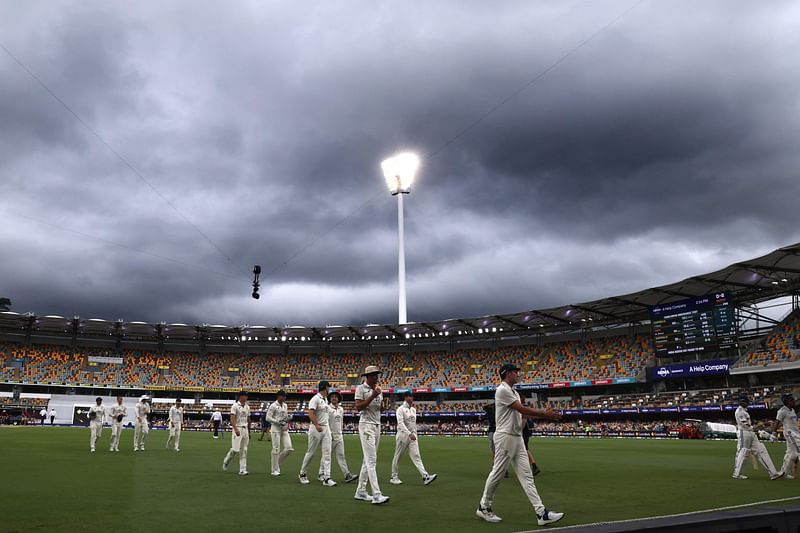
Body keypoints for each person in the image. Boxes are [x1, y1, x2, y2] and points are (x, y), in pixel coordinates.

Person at [476, 363, 564, 526]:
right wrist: (544, 413)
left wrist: (545, 415)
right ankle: (484, 507)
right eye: (516, 372)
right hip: (505, 437)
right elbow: (521, 409)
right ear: (507, 374)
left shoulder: (513, 392)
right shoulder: (502, 390)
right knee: (497, 473)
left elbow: (521, 413)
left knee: (527, 477)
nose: (518, 374)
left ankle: (541, 513)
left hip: (516, 438)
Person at [353, 365, 389, 504]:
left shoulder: (379, 389)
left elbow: (381, 409)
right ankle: (376, 494)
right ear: (367, 376)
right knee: (371, 460)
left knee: (367, 460)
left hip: (377, 425)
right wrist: (373, 396)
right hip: (366, 425)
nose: (376, 377)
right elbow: (358, 407)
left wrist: (384, 404)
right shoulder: (361, 389)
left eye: (377, 375)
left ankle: (360, 491)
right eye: (374, 375)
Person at [390, 391, 437, 486]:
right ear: (406, 397)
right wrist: (409, 433)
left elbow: (413, 424)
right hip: (403, 436)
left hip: (413, 436)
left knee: (416, 456)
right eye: (410, 396)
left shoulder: (413, 410)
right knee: (398, 456)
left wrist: (415, 434)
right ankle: (393, 477)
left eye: (412, 396)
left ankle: (425, 476)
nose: (412, 398)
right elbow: (400, 423)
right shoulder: (400, 409)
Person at [732, 395, 783, 480]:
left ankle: (773, 473)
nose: (746, 403)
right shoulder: (739, 411)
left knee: (761, 450)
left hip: (750, 433)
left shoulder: (744, 411)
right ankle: (737, 474)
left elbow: (750, 427)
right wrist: (761, 425)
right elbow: (745, 425)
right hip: (744, 433)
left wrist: (762, 431)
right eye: (745, 402)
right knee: (744, 451)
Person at [299, 380, 335, 486]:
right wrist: (317, 424)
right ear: (325, 388)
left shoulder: (325, 400)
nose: (329, 389)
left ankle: (326, 477)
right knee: (311, 452)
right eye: (328, 387)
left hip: (326, 428)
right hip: (316, 428)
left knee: (327, 453)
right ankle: (302, 473)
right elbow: (310, 413)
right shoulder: (315, 399)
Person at [324, 391, 357, 483]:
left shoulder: (341, 409)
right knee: (327, 456)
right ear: (330, 399)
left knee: (341, 455)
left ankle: (347, 475)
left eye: (336, 397)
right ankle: (322, 474)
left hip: (339, 435)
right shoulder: (328, 408)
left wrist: (341, 432)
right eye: (332, 397)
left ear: (338, 399)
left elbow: (341, 421)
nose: (334, 398)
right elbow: (325, 422)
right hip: (330, 435)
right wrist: (329, 434)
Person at [771, 393, 798, 480]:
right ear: (787, 401)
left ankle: (784, 472)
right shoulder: (782, 411)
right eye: (791, 399)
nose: (794, 401)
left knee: (790, 453)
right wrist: (773, 433)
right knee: (798, 451)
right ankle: (783, 472)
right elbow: (777, 422)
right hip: (790, 433)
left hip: (795, 433)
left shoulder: (792, 410)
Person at [223, 391, 251, 476]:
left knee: (244, 450)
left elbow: (248, 419)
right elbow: (232, 418)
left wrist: (249, 431)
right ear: (240, 397)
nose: (246, 397)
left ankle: (242, 469)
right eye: (245, 396)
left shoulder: (247, 407)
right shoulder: (235, 406)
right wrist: (235, 429)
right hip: (238, 428)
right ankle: (226, 461)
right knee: (235, 449)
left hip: (245, 429)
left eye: (246, 396)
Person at [267, 390, 293, 476]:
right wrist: (278, 422)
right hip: (275, 429)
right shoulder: (273, 406)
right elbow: (268, 418)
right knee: (276, 448)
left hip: (284, 429)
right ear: (278, 396)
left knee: (289, 448)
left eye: (285, 396)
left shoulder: (285, 405)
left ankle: (276, 463)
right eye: (283, 396)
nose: (285, 398)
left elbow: (284, 417)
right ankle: (274, 469)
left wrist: (288, 418)